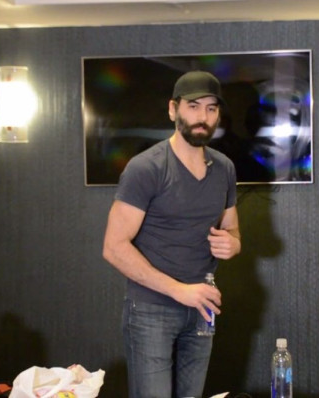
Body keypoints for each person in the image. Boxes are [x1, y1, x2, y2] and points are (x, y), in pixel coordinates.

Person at [102, 70, 241, 398]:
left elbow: (233, 228)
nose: (202, 117)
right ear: (172, 109)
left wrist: (233, 243)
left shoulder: (224, 168)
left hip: (202, 307)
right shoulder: (146, 168)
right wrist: (179, 291)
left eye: (211, 108)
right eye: (193, 106)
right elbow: (113, 247)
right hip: (151, 309)